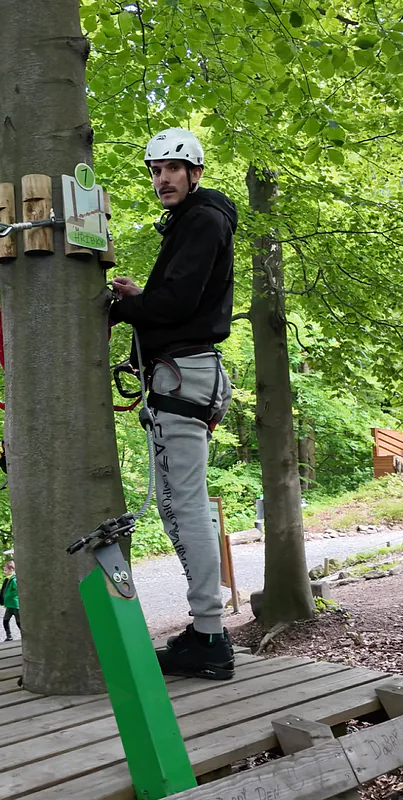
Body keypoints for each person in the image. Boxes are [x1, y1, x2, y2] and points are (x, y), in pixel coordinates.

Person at [108, 128, 238, 681]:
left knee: (183, 507)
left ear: (195, 173)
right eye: (156, 170)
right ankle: (207, 632)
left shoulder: (202, 220)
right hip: (187, 374)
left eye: (172, 169)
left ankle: (210, 637)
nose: (162, 178)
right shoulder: (194, 221)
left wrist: (120, 310)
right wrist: (143, 300)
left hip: (184, 376)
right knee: (179, 505)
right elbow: (185, 298)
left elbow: (181, 301)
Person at [0, 560, 20, 641]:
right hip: (9, 605)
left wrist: (10, 595)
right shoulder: (8, 579)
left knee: (19, 622)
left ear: (11, 570)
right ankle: (9, 636)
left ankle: (25, 635)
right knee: (5, 620)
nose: (4, 572)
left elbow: (17, 590)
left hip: (15, 604)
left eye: (6, 570)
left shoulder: (14, 580)